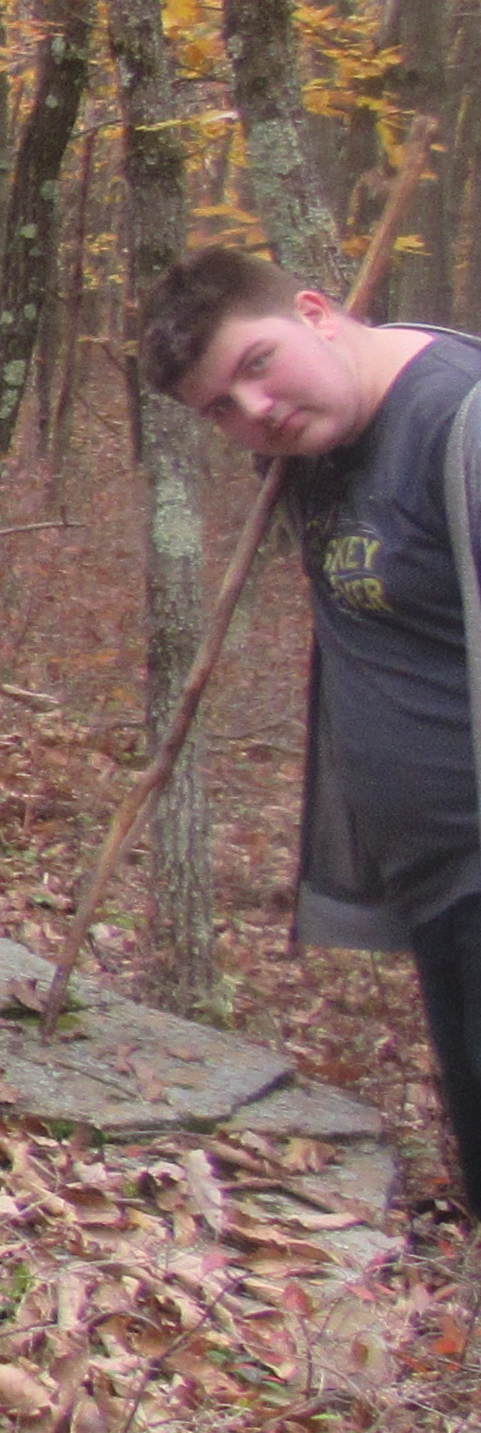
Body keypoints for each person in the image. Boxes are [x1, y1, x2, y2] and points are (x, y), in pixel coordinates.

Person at [143, 251, 481, 1214]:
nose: (255, 411)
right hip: (440, 881)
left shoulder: (460, 423)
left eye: (258, 364)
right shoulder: (313, 448)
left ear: (316, 311)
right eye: (220, 407)